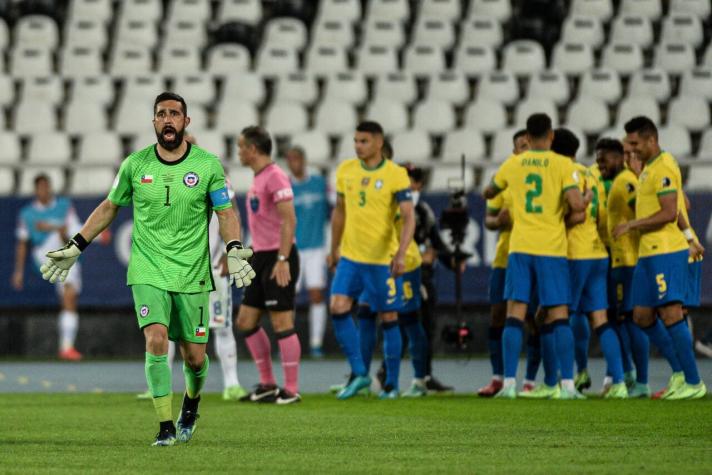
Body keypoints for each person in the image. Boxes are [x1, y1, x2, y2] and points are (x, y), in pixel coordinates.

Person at [40, 92, 256, 446]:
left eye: (175, 114)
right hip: (147, 268)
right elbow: (110, 207)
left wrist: (233, 248)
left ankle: (192, 402)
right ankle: (165, 426)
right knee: (155, 338)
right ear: (153, 122)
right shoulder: (135, 165)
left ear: (186, 122)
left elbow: (226, 212)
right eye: (161, 114)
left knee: (195, 357)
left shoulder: (208, 165)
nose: (168, 119)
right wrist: (76, 245)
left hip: (192, 272)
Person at [135, 132, 248, 402]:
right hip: (173, 269)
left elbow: (231, 214)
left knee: (220, 325)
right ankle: (159, 385)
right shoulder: (162, 179)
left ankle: (231, 383)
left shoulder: (211, 173)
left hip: (211, 266)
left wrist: (228, 253)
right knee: (163, 327)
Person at [483, 113, 586, 399]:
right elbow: (576, 204)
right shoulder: (563, 164)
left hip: (519, 247)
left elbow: (489, 191)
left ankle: (508, 384)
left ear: (526, 138)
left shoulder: (513, 163)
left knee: (514, 315)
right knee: (558, 316)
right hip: (551, 248)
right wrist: (583, 200)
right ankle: (566, 386)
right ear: (551, 135)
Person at [613, 116, 706, 400]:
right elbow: (681, 206)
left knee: (671, 312)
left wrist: (632, 225)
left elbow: (669, 212)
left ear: (651, 140)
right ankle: (679, 373)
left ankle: (693, 382)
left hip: (666, 251)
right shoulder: (648, 170)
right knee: (641, 316)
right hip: (648, 253)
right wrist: (691, 237)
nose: (631, 149)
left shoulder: (663, 167)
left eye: (634, 143)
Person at [535, 129, 626, 400]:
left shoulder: (561, 172)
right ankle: (618, 383)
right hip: (598, 252)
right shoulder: (591, 174)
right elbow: (599, 215)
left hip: (573, 254)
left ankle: (562, 384)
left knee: (556, 315)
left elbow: (574, 213)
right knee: (600, 318)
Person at [328, 121, 415, 400]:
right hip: (351, 257)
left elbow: (408, 216)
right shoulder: (346, 171)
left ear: (379, 142)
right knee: (338, 307)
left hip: (381, 260)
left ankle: (391, 384)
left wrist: (401, 253)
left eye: (363, 141)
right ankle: (360, 373)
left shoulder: (396, 174)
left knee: (389, 317)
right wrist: (334, 248)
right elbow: (339, 212)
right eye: (355, 141)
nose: (358, 146)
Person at [235, 126, 302, 405]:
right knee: (246, 321)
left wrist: (283, 259)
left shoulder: (275, 176)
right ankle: (267, 383)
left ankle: (291, 389)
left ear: (252, 149)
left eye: (241, 147)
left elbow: (289, 220)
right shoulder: (259, 177)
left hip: (278, 256)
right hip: (260, 256)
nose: (238, 152)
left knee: (281, 321)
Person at [479, 129, 542, 396]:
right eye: (520, 146)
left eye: (529, 145)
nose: (525, 150)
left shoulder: (546, 176)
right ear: (514, 151)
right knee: (498, 315)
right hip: (506, 257)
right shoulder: (505, 178)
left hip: (538, 254)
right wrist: (499, 222)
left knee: (534, 318)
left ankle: (529, 381)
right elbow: (488, 220)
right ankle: (499, 377)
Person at [597, 137, 651, 398]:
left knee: (631, 321)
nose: (600, 164)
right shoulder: (618, 181)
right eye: (597, 160)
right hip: (619, 260)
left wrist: (631, 227)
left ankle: (641, 380)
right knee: (621, 321)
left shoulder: (627, 181)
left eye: (604, 158)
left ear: (620, 157)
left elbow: (641, 209)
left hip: (628, 261)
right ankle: (630, 375)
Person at [12, 174, 86, 361]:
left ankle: (66, 347)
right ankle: (67, 347)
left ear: (50, 188)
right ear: (36, 190)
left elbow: (74, 230)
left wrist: (53, 227)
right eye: (40, 187)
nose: (43, 190)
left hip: (67, 252)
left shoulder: (64, 206)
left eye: (46, 186)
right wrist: (18, 271)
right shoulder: (27, 214)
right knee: (61, 236)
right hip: (44, 254)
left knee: (69, 295)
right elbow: (22, 242)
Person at [285, 146, 330, 358]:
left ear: (303, 160)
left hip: (317, 247)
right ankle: (289, 343)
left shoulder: (320, 184)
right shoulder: (285, 187)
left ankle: (316, 343)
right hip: (294, 248)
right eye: (290, 159)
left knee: (316, 294)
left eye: (297, 159)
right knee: (289, 295)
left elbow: (336, 210)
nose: (294, 163)